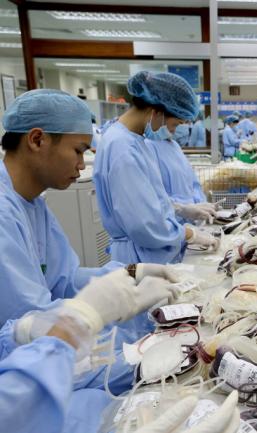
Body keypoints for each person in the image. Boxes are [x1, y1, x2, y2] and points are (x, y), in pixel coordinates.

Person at [0, 89, 183, 395]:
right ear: (37, 140)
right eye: (78, 150)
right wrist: (113, 328)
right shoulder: (4, 213)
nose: (82, 165)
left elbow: (65, 279)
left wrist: (130, 275)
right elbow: (33, 325)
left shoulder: (32, 204)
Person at [0, 269, 177, 433]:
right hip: (36, 370)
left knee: (100, 400)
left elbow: (65, 276)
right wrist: (74, 322)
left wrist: (132, 271)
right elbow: (14, 405)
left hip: (38, 358)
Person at [94, 71, 218, 265]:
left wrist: (181, 209)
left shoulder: (135, 141)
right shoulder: (123, 148)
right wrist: (189, 234)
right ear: (156, 111)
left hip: (149, 253)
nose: (173, 131)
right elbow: (144, 225)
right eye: (174, 124)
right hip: (140, 257)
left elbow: (149, 202)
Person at [145, 119, 210, 207]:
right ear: (160, 117)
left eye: (184, 123)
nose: (182, 127)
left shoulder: (174, 145)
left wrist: (201, 203)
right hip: (172, 214)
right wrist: (183, 208)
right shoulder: (149, 146)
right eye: (176, 124)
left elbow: (193, 183)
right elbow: (156, 197)